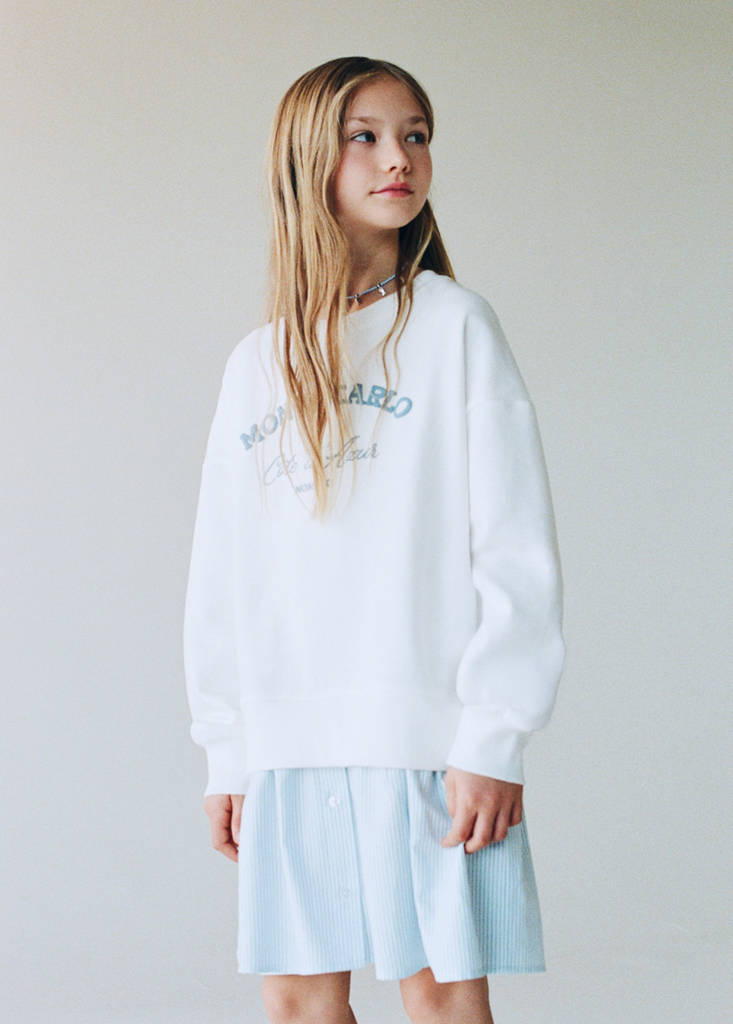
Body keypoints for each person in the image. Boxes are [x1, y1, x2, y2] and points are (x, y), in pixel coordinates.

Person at [183, 55, 566, 1024]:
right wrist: (228, 750)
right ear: (307, 158)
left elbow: (513, 546)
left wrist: (492, 735)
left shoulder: (454, 327)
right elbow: (223, 575)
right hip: (287, 739)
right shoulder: (257, 364)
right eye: (366, 136)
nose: (398, 158)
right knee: (297, 1004)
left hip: (425, 737)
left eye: (415, 135)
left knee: (438, 997)